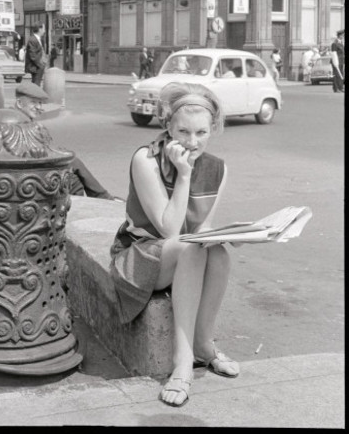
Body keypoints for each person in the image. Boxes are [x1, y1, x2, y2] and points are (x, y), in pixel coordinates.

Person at [110, 82, 237, 408]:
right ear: (167, 126)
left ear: (213, 130)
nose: (192, 142)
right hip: (140, 254)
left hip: (181, 252)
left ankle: (203, 345)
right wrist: (183, 174)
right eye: (182, 131)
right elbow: (168, 230)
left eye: (201, 133)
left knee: (218, 253)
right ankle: (183, 363)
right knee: (188, 247)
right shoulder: (146, 160)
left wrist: (225, 236)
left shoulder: (218, 169)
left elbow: (200, 229)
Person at [14, 82, 122, 201]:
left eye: (39, 103)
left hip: (33, 167)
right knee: (73, 168)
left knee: (73, 172)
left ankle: (100, 198)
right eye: (33, 102)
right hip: (26, 171)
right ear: (19, 103)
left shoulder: (26, 120)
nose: (38, 107)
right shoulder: (14, 121)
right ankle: (102, 197)